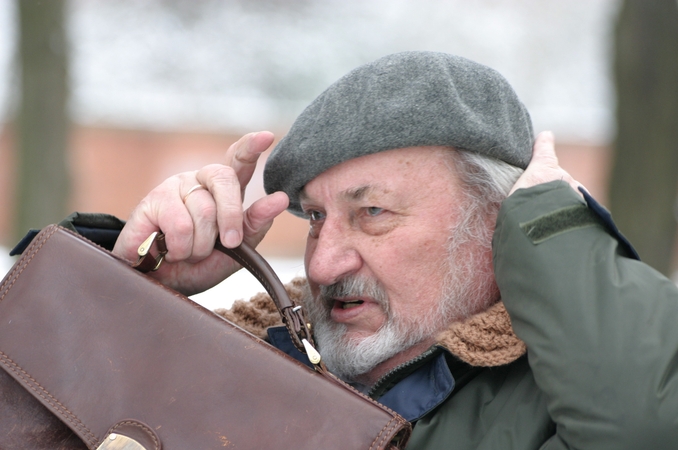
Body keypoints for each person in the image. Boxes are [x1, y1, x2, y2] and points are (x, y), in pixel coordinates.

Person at [20, 52, 678, 448]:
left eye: (372, 213)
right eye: (313, 217)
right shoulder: (255, 356)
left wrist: (553, 227)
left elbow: (644, 428)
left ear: (497, 223)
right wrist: (133, 298)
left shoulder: (563, 402)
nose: (322, 262)